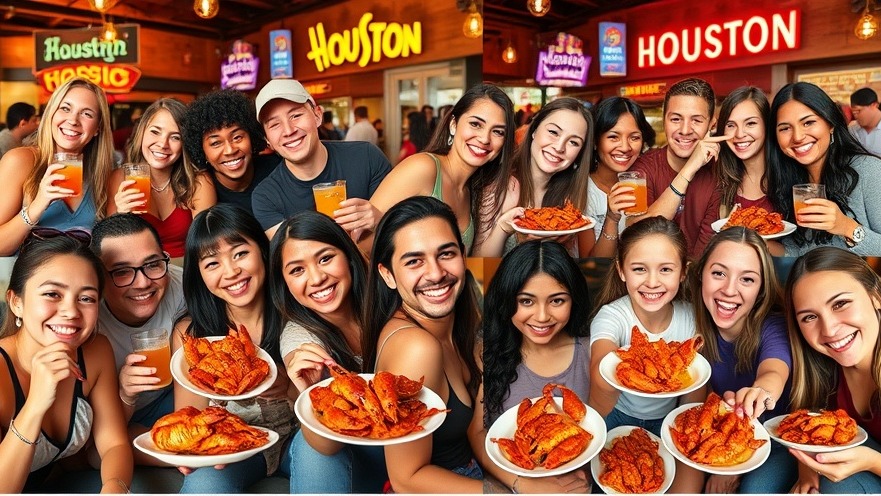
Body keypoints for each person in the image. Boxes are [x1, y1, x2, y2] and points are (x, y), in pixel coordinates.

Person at [361, 196, 483, 492]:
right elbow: (407, 478)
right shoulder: (416, 347)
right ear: (387, 274)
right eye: (414, 261)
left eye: (446, 254)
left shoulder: (465, 317)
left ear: (464, 255)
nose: (436, 273)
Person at [171, 204, 294, 493]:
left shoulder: (297, 314)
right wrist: (191, 449)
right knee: (204, 483)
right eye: (212, 263)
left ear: (262, 251)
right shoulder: (191, 336)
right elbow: (191, 415)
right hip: (234, 447)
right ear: (199, 274)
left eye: (240, 253)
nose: (232, 271)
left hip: (296, 439)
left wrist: (287, 386)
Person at [0, 229, 132, 493]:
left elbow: (114, 444)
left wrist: (114, 488)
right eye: (52, 294)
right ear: (16, 302)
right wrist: (35, 404)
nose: (71, 312)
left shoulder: (95, 351)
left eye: (86, 298)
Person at [270, 211, 386, 493]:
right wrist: (308, 391)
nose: (317, 278)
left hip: (408, 443)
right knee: (312, 450)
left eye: (325, 258)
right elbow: (327, 443)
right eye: (297, 270)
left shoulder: (388, 300)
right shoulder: (299, 336)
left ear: (347, 254)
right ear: (284, 282)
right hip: (347, 452)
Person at [588, 216, 701, 493]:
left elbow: (694, 397)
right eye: (639, 269)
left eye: (665, 269)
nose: (652, 282)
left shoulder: (692, 319)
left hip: (670, 420)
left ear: (683, 272)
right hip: (615, 415)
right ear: (621, 271)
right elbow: (601, 370)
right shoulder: (612, 316)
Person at [477, 240, 591, 494]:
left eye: (557, 301)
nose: (541, 316)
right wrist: (524, 484)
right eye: (526, 301)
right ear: (506, 300)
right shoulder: (484, 352)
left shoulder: (590, 351)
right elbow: (477, 434)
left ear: (574, 300)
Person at [689, 227, 796, 493]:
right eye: (718, 273)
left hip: (778, 440)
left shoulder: (773, 326)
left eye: (747, 279)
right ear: (701, 274)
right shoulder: (690, 323)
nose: (729, 290)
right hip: (719, 434)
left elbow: (773, 372)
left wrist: (762, 391)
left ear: (761, 289)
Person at [369, 84, 515, 255]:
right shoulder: (423, 168)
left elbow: (471, 265)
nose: (484, 139)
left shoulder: (472, 190)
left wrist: (503, 226)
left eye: (498, 132)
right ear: (453, 124)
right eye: (475, 124)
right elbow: (361, 245)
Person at [784, 247, 881, 494]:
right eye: (809, 317)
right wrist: (807, 468)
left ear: (876, 296)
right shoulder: (820, 368)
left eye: (840, 303)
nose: (828, 329)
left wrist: (872, 462)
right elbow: (807, 421)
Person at [90, 214, 184, 454]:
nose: (142, 283)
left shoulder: (182, 287)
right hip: (116, 418)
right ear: (98, 276)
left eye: (152, 264)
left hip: (172, 400)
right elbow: (99, 439)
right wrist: (125, 394)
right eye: (121, 271)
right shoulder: (88, 322)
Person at [252, 79, 391, 240]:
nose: (288, 131)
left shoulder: (366, 157)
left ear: (317, 115)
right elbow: (293, 258)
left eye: (296, 115)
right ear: (267, 139)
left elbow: (404, 228)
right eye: (274, 125)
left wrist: (381, 220)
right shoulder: (266, 197)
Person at [0, 77, 114, 255]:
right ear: (52, 113)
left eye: (87, 114)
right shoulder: (20, 161)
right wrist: (37, 206)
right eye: (65, 108)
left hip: (85, 280)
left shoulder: (102, 175)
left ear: (98, 128)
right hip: (30, 280)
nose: (73, 120)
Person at [471, 97, 595, 258]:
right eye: (553, 132)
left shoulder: (570, 200)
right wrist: (503, 228)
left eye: (573, 142)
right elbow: (479, 268)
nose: (559, 147)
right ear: (535, 130)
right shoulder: (502, 186)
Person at [768, 82, 881, 256]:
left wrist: (846, 226)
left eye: (808, 123)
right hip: (809, 280)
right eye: (785, 128)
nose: (797, 137)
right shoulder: (791, 179)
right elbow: (799, 250)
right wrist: (754, 240)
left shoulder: (869, 170)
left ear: (831, 124)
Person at [627, 77, 730, 258]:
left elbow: (704, 252)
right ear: (664, 120)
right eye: (676, 119)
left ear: (711, 125)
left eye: (696, 120)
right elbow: (638, 234)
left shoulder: (719, 174)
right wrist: (689, 169)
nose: (684, 130)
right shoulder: (643, 167)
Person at [108, 98, 215, 259]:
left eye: (175, 137)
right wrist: (120, 215)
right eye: (155, 132)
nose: (163, 144)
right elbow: (110, 246)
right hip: (139, 271)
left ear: (185, 143)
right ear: (142, 132)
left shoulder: (198, 181)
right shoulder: (120, 177)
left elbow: (206, 243)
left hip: (187, 270)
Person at [181, 89, 277, 217]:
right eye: (216, 143)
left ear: (251, 136)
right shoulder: (204, 186)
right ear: (202, 151)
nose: (230, 150)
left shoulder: (277, 167)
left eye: (237, 137)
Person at [586, 96, 656, 256]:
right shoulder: (582, 191)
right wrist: (611, 218)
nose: (625, 147)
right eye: (613, 137)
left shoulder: (644, 183)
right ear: (596, 141)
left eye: (634, 138)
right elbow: (592, 266)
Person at [714, 87, 775, 217]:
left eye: (750, 123)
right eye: (730, 125)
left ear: (767, 125)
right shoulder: (720, 179)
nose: (739, 134)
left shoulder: (789, 176)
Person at [848, 87, 881, 155]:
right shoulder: (852, 131)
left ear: (874, 105)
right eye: (853, 112)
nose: (856, 116)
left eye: (858, 111)